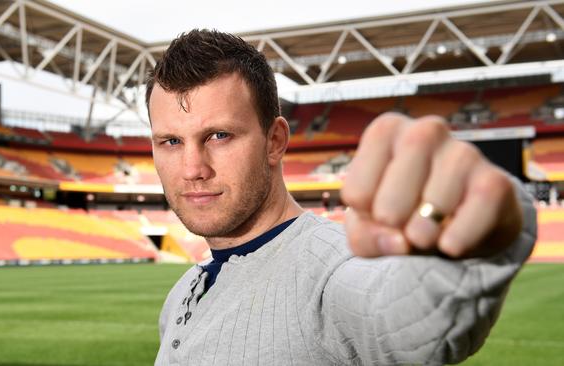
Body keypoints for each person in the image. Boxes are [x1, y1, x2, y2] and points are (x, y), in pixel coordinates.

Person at [146, 29, 536, 365]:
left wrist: (476, 215)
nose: (193, 167)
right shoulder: (182, 293)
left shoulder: (334, 269)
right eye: (171, 141)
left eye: (219, 135)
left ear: (275, 141)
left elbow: (409, 321)